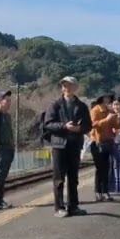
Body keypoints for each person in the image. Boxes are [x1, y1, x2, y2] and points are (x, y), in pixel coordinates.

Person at [41, 76, 91, 217]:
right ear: (62, 88)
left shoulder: (81, 106)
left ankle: (73, 206)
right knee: (59, 178)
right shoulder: (55, 105)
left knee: (73, 177)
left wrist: (79, 128)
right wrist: (64, 126)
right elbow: (48, 123)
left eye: (69, 85)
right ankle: (59, 207)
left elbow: (88, 125)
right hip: (59, 145)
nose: (66, 88)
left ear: (75, 87)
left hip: (75, 144)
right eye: (64, 85)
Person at [89, 94, 118, 201]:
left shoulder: (110, 110)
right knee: (100, 168)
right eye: (105, 98)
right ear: (101, 98)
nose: (108, 100)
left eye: (109, 98)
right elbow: (92, 125)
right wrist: (106, 119)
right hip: (97, 142)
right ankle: (98, 191)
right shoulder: (95, 110)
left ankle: (105, 191)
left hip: (108, 142)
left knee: (106, 168)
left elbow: (116, 126)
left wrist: (117, 119)